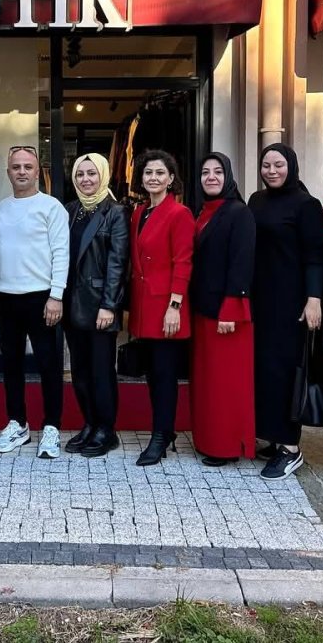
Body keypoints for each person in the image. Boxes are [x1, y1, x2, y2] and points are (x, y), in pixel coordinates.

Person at [248, 143, 323, 480]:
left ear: (291, 166)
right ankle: (271, 436)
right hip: (260, 299)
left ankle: (290, 448)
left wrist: (314, 298)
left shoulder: (307, 205)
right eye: (266, 165)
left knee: (285, 372)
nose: (272, 171)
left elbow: (315, 256)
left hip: (292, 302)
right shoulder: (256, 200)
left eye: (278, 165)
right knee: (263, 369)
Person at [0, 145, 70, 459]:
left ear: (37, 172)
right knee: (12, 365)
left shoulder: (51, 207)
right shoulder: (2, 208)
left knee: (49, 365)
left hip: (42, 297)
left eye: (28, 167)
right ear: (8, 172)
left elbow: (61, 253)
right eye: (16, 167)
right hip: (7, 298)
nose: (22, 171)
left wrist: (56, 295)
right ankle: (18, 423)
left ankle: (52, 426)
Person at [189, 152, 257, 466]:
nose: (211, 177)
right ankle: (208, 440)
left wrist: (230, 309)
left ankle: (226, 446)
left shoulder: (239, 212)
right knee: (208, 382)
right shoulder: (202, 212)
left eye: (218, 171)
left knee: (226, 384)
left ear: (228, 176)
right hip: (204, 309)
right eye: (205, 172)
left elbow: (242, 263)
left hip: (228, 313)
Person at [128, 149, 194, 467]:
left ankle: (159, 436)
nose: (153, 177)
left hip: (166, 306)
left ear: (170, 179)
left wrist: (175, 305)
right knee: (152, 374)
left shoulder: (179, 213)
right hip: (144, 305)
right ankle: (164, 431)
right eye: (148, 172)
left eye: (159, 173)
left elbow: (184, 262)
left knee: (165, 375)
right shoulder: (139, 212)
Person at [62, 153, 128, 458]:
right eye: (80, 174)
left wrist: (109, 305)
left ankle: (106, 430)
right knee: (79, 370)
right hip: (72, 303)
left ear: (103, 175)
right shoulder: (70, 210)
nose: (86, 179)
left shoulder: (116, 212)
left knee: (101, 370)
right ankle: (89, 423)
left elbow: (118, 262)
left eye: (92, 173)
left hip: (100, 304)